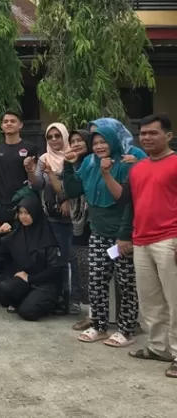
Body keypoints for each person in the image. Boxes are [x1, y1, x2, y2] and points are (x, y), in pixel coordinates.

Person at [63, 126, 140, 347]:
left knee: (126, 283)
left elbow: (128, 203)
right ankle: (99, 326)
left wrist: (125, 235)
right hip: (98, 232)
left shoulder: (125, 164)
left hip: (121, 236)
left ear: (114, 142)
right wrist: (68, 166)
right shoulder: (88, 163)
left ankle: (126, 329)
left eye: (103, 142)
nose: (99, 146)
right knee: (96, 280)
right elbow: (73, 190)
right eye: (95, 143)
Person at [119, 114, 177, 378]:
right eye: (142, 133)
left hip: (170, 239)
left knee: (174, 299)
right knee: (150, 300)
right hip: (141, 240)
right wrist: (125, 235)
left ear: (168, 136)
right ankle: (158, 347)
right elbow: (130, 205)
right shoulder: (138, 168)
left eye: (153, 133)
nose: (146, 138)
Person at [27, 123, 74, 312]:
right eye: (50, 137)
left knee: (71, 258)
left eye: (58, 136)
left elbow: (77, 184)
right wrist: (31, 171)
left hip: (72, 218)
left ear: (65, 136)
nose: (54, 140)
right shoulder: (44, 158)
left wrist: (67, 200)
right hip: (51, 216)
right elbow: (37, 185)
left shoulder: (73, 156)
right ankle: (58, 296)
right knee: (55, 258)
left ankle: (74, 299)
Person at [0, 195, 62, 321]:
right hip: (25, 280)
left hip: (45, 284)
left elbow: (54, 269)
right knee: (3, 290)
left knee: (27, 312)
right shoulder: (18, 233)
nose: (23, 217)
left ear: (35, 213)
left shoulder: (47, 238)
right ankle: (26, 299)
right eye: (20, 213)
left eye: (27, 213)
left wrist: (30, 278)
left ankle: (51, 304)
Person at [68, 129, 92, 328]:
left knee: (114, 269)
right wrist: (68, 165)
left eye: (80, 140)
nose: (76, 144)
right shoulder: (72, 164)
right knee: (86, 269)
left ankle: (121, 315)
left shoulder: (95, 161)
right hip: (80, 224)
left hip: (100, 224)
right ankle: (93, 314)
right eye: (73, 141)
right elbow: (72, 190)